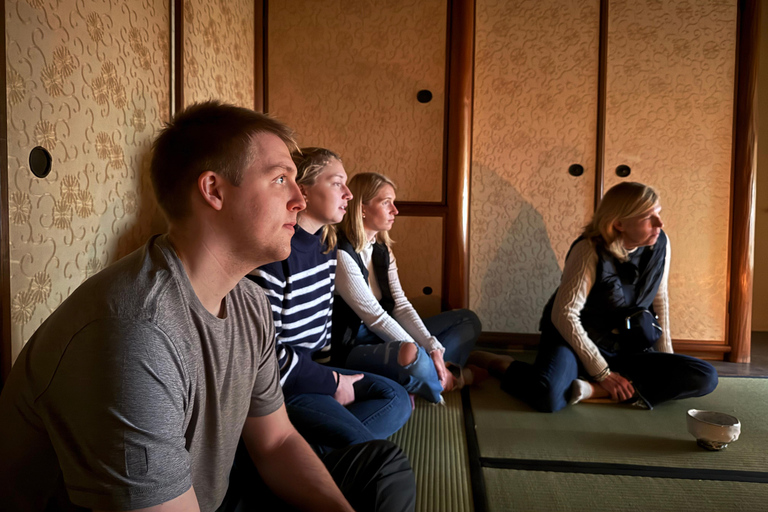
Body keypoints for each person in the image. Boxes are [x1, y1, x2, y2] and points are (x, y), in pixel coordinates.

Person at [0, 102, 416, 512]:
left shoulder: (249, 302)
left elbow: (277, 441)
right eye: (279, 180)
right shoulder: (134, 333)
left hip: (211, 494)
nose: (299, 200)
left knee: (382, 469)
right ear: (214, 190)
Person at [469, 181, 718, 413]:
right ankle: (500, 364)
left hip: (628, 344)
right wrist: (602, 372)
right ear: (619, 223)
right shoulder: (589, 250)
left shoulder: (660, 243)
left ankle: (592, 391)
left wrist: (667, 361)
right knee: (547, 395)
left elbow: (659, 301)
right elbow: (564, 315)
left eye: (658, 212)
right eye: (647, 217)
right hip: (574, 339)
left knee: (704, 376)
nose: (659, 223)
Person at [249, 148, 412, 452]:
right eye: (337, 183)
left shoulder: (326, 245)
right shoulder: (272, 256)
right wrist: (332, 384)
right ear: (304, 190)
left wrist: (332, 377)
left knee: (397, 398)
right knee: (371, 453)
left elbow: (324, 326)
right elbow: (264, 360)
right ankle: (303, 453)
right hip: (281, 385)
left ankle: (311, 449)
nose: (349, 195)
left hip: (315, 373)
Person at [332, 172, 483, 404]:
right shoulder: (342, 254)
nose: (395, 210)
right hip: (355, 344)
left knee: (467, 321)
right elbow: (376, 318)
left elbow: (400, 305)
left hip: (385, 335)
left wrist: (432, 347)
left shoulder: (382, 249)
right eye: (386, 203)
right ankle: (449, 378)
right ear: (362, 208)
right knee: (415, 357)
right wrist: (420, 351)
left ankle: (423, 377)